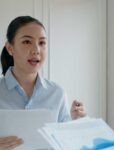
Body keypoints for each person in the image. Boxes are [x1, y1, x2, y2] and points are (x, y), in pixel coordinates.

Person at [0, 15, 87, 150]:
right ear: (10, 48)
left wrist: (76, 124)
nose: (36, 50)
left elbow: (67, 145)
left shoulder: (57, 93)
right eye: (27, 42)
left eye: (42, 43)